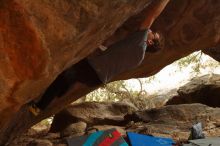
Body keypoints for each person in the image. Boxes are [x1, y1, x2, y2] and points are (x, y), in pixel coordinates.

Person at [29, 0, 169, 116]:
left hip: (93, 69)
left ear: (150, 42)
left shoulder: (140, 41)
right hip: (97, 78)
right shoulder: (139, 58)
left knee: (63, 76)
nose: (150, 31)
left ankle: (38, 108)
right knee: (72, 75)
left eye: (153, 34)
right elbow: (115, 57)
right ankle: (62, 91)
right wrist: (103, 48)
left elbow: (152, 15)